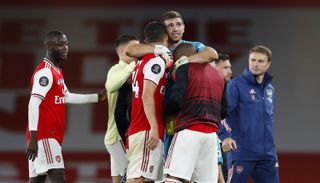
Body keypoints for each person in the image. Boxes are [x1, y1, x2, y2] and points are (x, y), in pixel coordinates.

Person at [125, 10, 217, 159]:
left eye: (178, 24)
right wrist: (156, 49)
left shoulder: (192, 47)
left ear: (184, 27)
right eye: (170, 25)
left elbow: (212, 54)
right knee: (165, 162)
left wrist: (185, 61)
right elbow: (130, 50)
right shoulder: (155, 48)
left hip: (187, 111)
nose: (175, 28)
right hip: (161, 113)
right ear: (165, 32)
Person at [25, 30, 106, 183]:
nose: (65, 47)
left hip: (46, 137)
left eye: (66, 43)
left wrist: (97, 97)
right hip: (44, 136)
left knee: (37, 181)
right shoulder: (45, 72)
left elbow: (66, 97)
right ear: (48, 46)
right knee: (59, 179)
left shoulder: (57, 71)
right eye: (59, 44)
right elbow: (33, 102)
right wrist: (34, 138)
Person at [164, 43, 224, 183]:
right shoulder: (218, 75)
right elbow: (224, 109)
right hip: (211, 137)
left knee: (173, 178)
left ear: (181, 58)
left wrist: (167, 112)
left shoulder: (184, 68)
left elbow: (175, 100)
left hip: (188, 130)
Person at [219, 45, 279, 183]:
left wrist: (271, 150)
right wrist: (225, 136)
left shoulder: (270, 89)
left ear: (268, 64)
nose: (255, 64)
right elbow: (222, 114)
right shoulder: (235, 85)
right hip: (241, 152)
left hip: (267, 156)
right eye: (252, 60)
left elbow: (269, 120)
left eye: (260, 61)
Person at [126, 21, 172, 183]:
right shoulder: (155, 61)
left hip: (140, 126)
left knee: (146, 179)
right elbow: (147, 94)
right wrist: (153, 126)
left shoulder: (141, 62)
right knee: (139, 178)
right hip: (146, 128)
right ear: (165, 37)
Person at [104, 35, 139, 183]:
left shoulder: (137, 71)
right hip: (117, 136)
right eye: (135, 48)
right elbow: (111, 86)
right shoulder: (116, 69)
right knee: (132, 177)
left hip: (121, 136)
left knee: (120, 180)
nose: (139, 51)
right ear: (124, 51)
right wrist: (133, 66)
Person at [215, 53, 232, 183]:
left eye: (229, 67)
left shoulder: (231, 88)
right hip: (217, 140)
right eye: (225, 68)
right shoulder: (208, 89)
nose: (230, 71)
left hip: (227, 142)